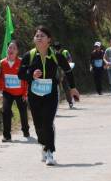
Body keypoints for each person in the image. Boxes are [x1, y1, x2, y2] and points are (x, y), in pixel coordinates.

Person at [18, 26, 79, 166]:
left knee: (47, 122)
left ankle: (50, 151)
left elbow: (68, 71)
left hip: (51, 93)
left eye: (42, 35)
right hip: (34, 94)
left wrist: (73, 88)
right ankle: (43, 145)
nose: (39, 37)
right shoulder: (29, 55)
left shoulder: (56, 56)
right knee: (38, 124)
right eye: (37, 35)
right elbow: (20, 74)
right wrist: (31, 75)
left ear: (49, 40)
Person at [0, 40, 30, 142]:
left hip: (20, 93)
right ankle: (6, 135)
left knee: (23, 113)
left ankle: (25, 130)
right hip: (7, 92)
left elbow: (25, 79)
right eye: (10, 48)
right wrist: (0, 89)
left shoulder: (21, 63)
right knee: (5, 111)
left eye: (14, 48)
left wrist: (25, 93)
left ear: (17, 51)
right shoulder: (2, 63)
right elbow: (1, 77)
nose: (11, 50)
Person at [52, 42, 74, 108]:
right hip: (64, 72)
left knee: (54, 88)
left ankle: (55, 103)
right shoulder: (65, 52)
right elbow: (70, 61)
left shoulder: (52, 53)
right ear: (61, 47)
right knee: (66, 88)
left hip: (55, 73)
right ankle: (70, 102)